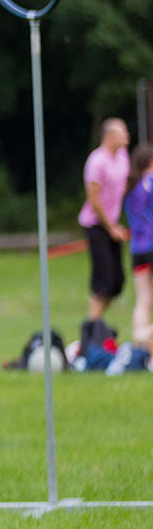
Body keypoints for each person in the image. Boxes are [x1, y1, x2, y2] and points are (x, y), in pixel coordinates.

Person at [78, 117, 131, 349]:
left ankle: (94, 324)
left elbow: (123, 190)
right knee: (104, 280)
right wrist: (111, 228)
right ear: (109, 136)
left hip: (113, 225)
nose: (127, 136)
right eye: (123, 133)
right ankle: (91, 331)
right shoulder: (96, 161)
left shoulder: (122, 158)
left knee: (117, 281)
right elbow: (94, 200)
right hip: (96, 225)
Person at [113, 143, 153, 373]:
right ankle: (144, 338)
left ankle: (139, 344)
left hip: (138, 249)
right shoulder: (151, 183)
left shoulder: (130, 186)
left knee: (143, 299)